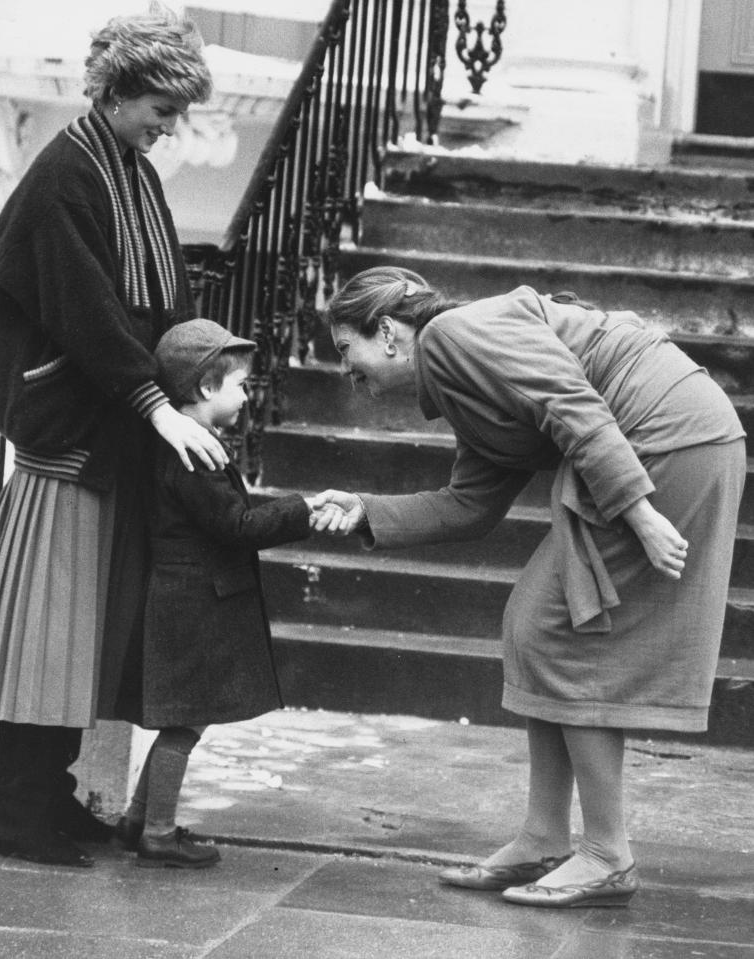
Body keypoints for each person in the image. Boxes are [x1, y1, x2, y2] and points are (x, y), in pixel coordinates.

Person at [310, 266, 746, 908]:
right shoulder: (457, 374)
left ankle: (605, 855)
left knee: (559, 630)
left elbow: (569, 402)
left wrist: (641, 512)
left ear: (387, 332)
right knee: (535, 625)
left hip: (666, 439)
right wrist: (367, 510)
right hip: (660, 439)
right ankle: (544, 837)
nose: (348, 371)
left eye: (348, 351)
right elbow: (469, 505)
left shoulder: (455, 336)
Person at [0, 5, 227, 868]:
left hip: (106, 431)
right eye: (163, 110)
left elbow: (155, 304)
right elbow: (87, 311)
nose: (172, 129)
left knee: (72, 634)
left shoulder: (122, 166)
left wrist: (196, 385)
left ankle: (43, 795)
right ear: (119, 92)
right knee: (43, 634)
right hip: (69, 435)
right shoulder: (67, 174)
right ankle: (16, 807)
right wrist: (157, 403)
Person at [112, 319, 314, 868]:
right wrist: (304, 510)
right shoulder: (194, 452)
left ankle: (138, 818)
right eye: (240, 385)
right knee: (186, 721)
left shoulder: (177, 441)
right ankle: (157, 830)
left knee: (184, 716)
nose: (247, 396)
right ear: (205, 389)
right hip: (194, 600)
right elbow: (238, 527)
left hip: (185, 594)